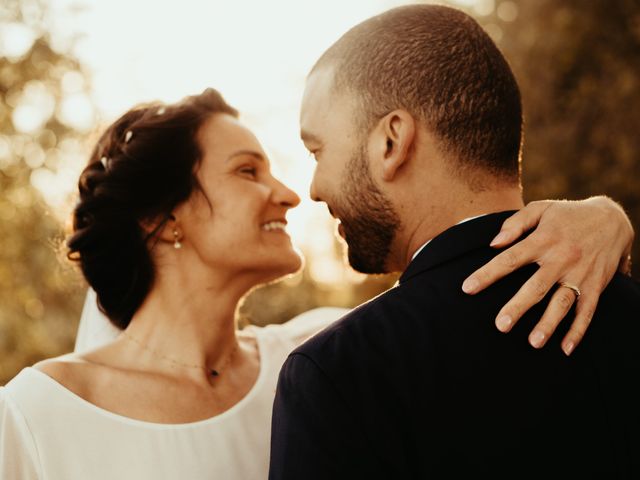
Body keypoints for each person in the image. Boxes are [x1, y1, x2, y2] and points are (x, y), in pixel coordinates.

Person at [0, 77, 632, 480]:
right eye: (249, 172)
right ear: (163, 219)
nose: (290, 195)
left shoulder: (316, 355)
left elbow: (447, 322)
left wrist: (604, 217)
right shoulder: (34, 416)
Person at [268, 5, 640, 480]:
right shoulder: (628, 313)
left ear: (392, 141)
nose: (315, 187)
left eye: (317, 150)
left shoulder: (341, 373)